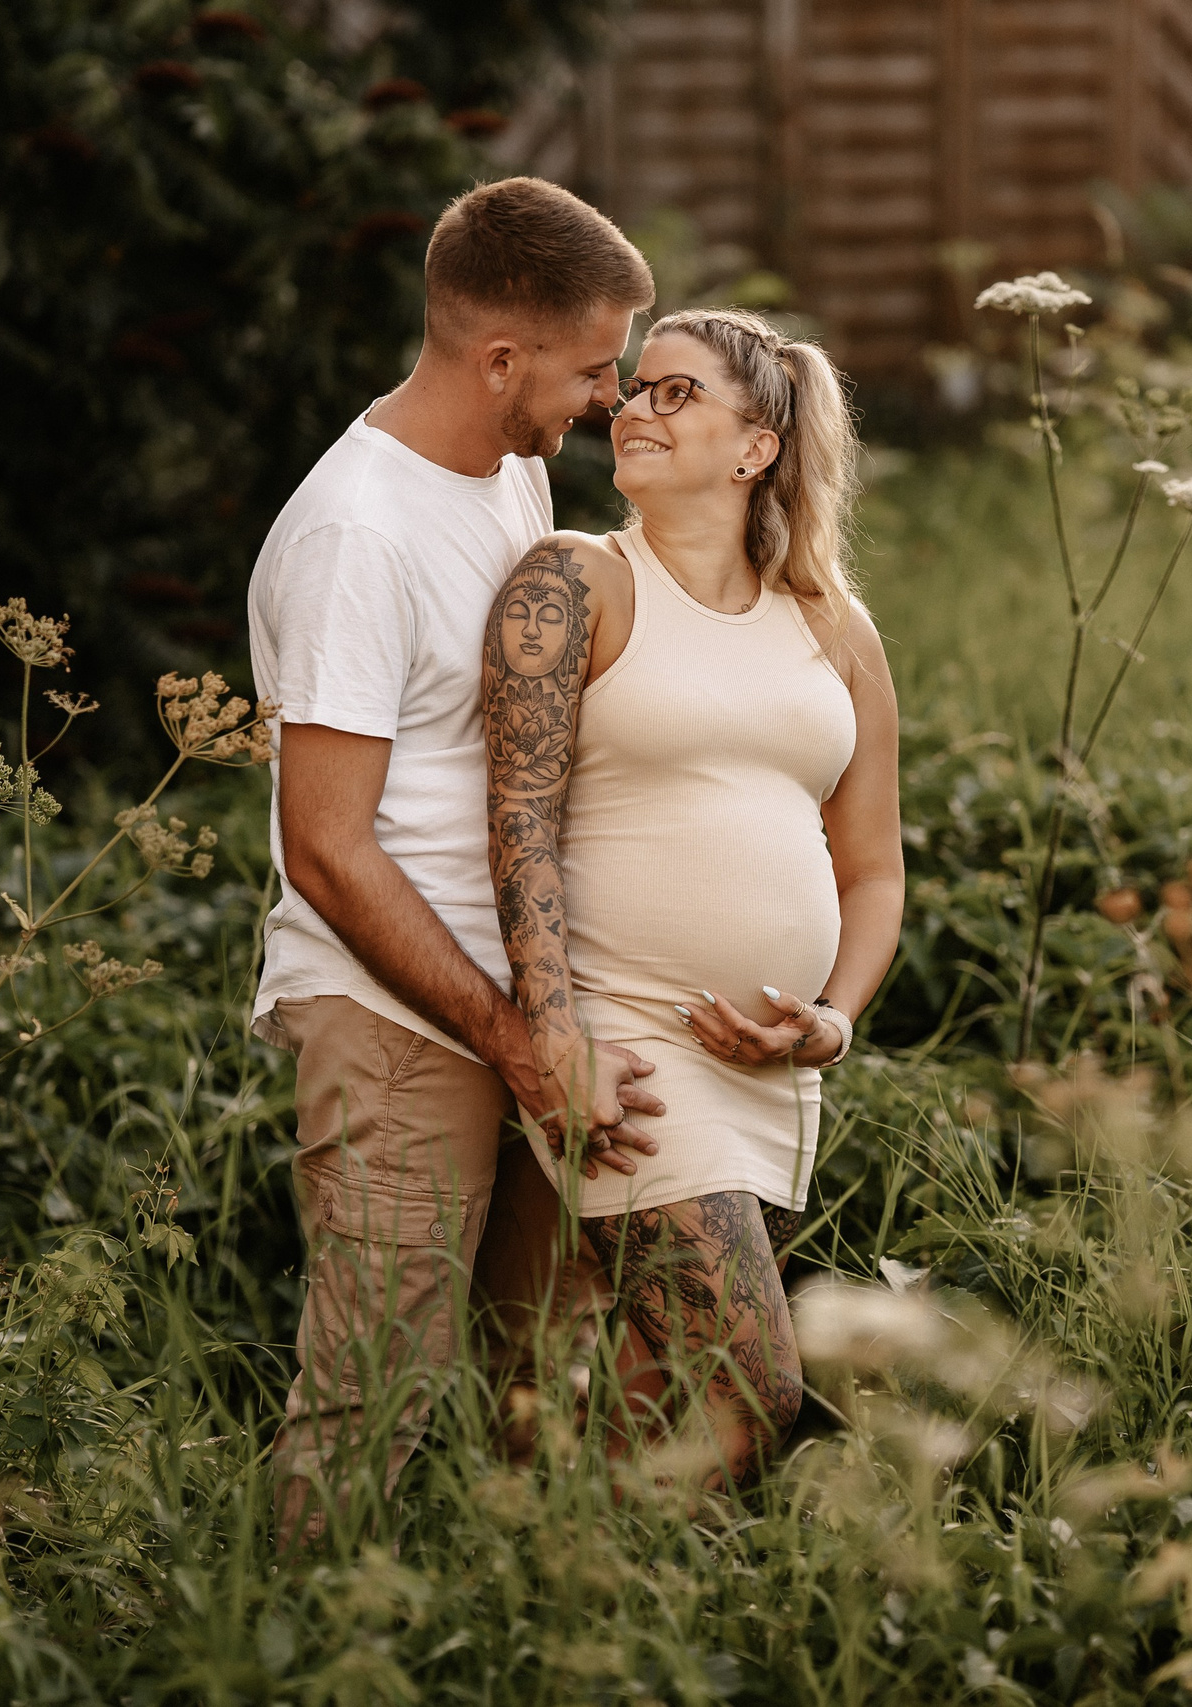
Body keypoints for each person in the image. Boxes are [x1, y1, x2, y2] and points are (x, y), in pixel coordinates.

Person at [246, 176, 667, 1544]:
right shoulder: (357, 535)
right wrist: (505, 1030)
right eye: (597, 366)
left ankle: (503, 1629)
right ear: (502, 357)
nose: (611, 395)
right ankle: (292, 1640)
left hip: (519, 1008)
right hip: (398, 1015)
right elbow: (325, 845)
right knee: (375, 1390)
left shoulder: (511, 471)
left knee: (537, 1369)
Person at [483, 307, 905, 1484]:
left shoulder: (836, 626)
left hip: (768, 1070)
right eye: (634, 392)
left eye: (676, 394)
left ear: (755, 446)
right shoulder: (574, 581)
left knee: (647, 1395)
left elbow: (871, 866)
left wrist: (833, 1021)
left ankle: (568, 1603)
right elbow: (517, 826)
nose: (633, 409)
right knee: (749, 1393)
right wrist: (555, 1034)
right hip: (629, 1053)